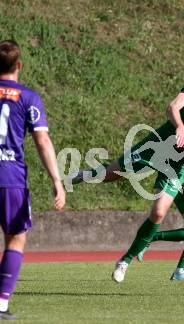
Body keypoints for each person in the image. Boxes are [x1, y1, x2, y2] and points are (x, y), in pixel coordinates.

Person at [72, 67, 184, 282]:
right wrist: (180, 127)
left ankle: (125, 261)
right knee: (112, 174)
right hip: (158, 144)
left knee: (159, 213)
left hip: (179, 162)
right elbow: (173, 107)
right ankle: (85, 174)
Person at [0, 40, 66, 319]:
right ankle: (1, 303)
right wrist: (57, 180)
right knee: (15, 239)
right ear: (19, 65)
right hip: (11, 176)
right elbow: (42, 140)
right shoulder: (28, 97)